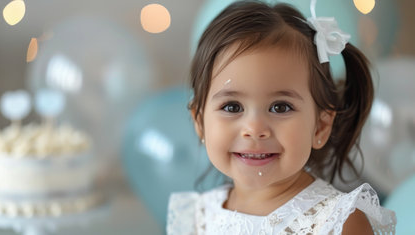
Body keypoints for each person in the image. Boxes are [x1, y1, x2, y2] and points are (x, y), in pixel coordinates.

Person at [167, 0, 396, 234]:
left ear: (320, 126)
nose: (255, 128)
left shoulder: (337, 223)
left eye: (280, 107)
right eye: (233, 107)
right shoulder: (198, 217)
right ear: (200, 122)